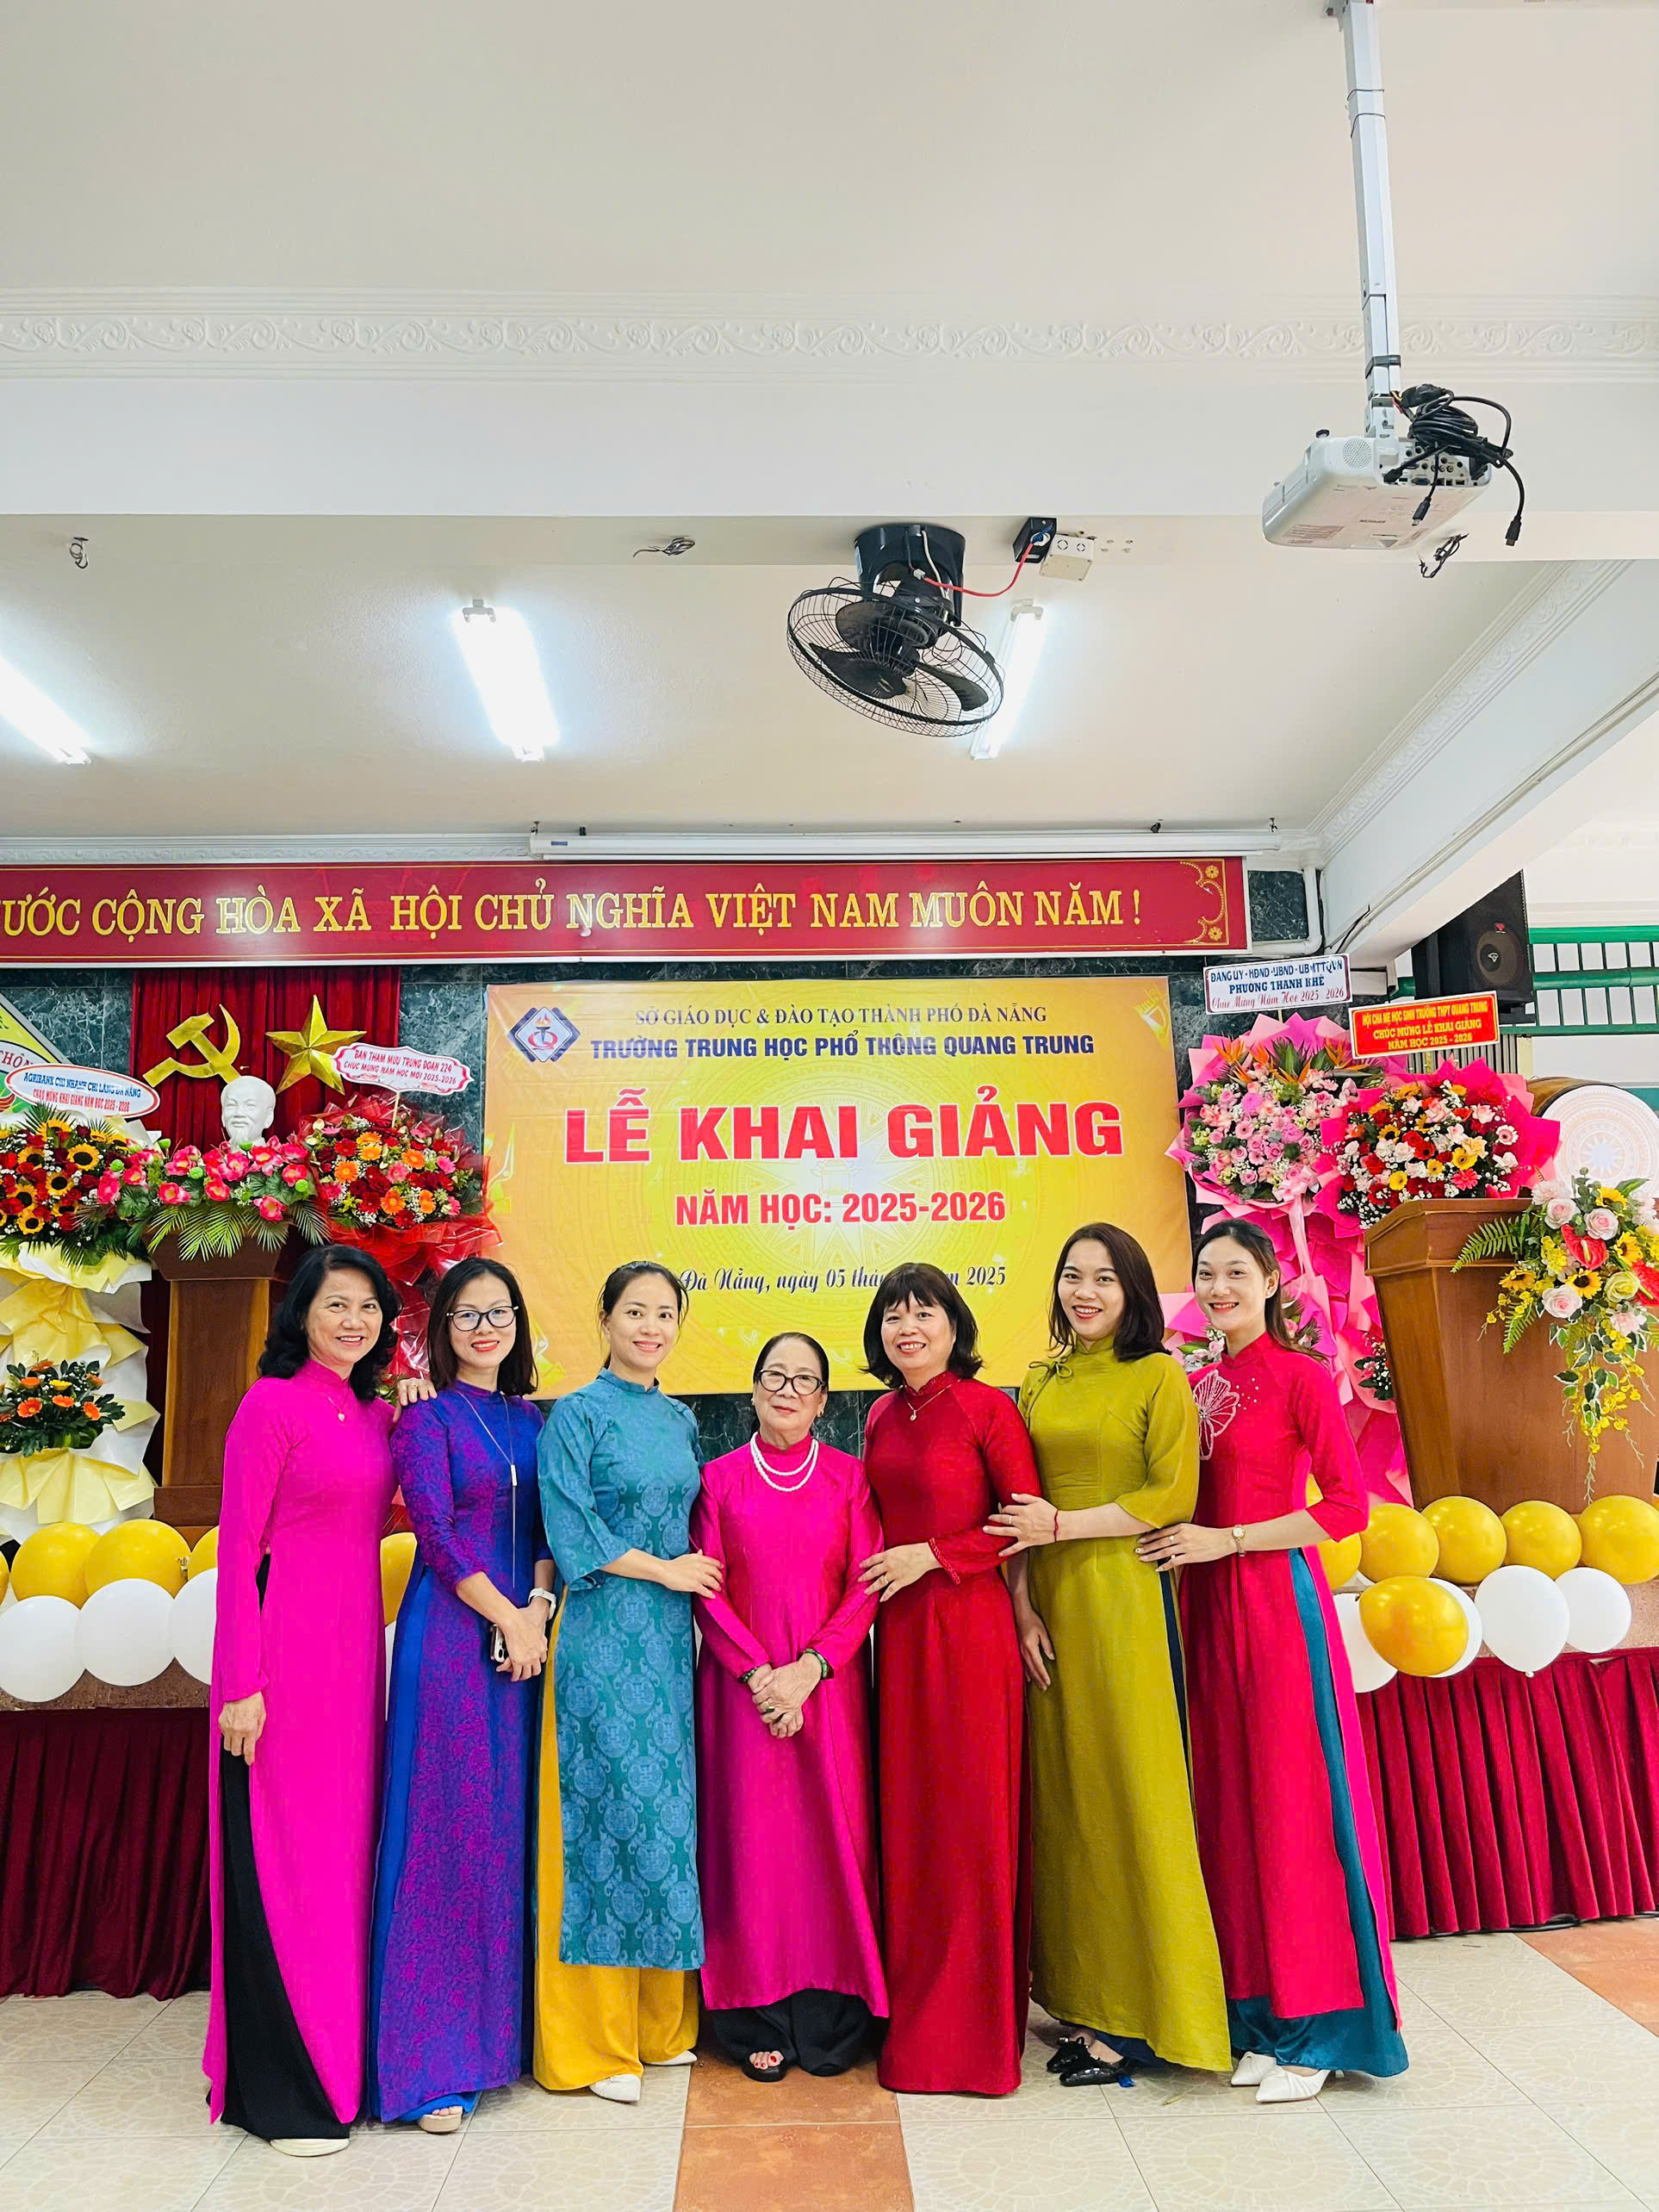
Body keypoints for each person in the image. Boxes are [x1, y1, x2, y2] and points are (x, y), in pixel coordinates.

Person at [1137, 1220, 1407, 2103]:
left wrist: (1230, 1540)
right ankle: (1260, 2017)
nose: (1219, 1288)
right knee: (1229, 1809)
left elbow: (1346, 1508)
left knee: (1293, 1809)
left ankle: (1323, 2025)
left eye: (1236, 1273)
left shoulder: (1301, 1377)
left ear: (1270, 1283)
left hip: (1274, 1605)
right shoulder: (1194, 1386)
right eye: (1206, 1273)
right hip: (1206, 1610)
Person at [989, 1224, 1231, 2086]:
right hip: (1049, 1605)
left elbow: (1171, 1494)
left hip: (1122, 1597)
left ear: (1132, 1292)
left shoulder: (1158, 1374)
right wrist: (1021, 1606)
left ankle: (1148, 2018)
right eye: (1071, 1275)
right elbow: (1014, 1502)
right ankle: (1085, 2004)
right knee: (1068, 1802)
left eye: (1103, 1278)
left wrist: (1065, 1524)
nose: (1083, 1291)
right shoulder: (1040, 1379)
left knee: (1134, 1792)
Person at [205, 1246, 405, 2155]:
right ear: (302, 1315)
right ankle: (285, 2088)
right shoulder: (270, 1404)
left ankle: (344, 2059)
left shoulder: (375, 1413)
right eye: (336, 1305)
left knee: (342, 1860)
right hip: (281, 1663)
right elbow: (238, 1550)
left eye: (368, 1306)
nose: (353, 1321)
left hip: (354, 1663)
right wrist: (240, 1685)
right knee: (291, 1862)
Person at [368, 1258, 554, 2133]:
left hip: (525, 1640)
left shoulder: (531, 1419)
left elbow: (549, 1529)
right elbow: (436, 1534)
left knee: (505, 1835)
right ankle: (429, 2063)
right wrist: (506, 1617)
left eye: (500, 1312)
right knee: (447, 1834)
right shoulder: (426, 1418)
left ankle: (496, 2044)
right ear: (441, 1328)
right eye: (468, 1314)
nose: (486, 1328)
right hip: (452, 1638)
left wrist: (537, 1612)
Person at [533, 1260, 715, 2104]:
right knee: (603, 1822)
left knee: (663, 1824)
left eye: (665, 1314)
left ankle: (659, 2026)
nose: (651, 1327)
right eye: (635, 1312)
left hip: (668, 1647)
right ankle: (596, 2045)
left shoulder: (679, 1419)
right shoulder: (575, 1415)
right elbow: (572, 1531)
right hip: (602, 1637)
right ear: (605, 1320)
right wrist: (669, 1572)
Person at [691, 1333, 887, 2083]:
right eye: (775, 1376)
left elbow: (865, 1584)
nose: (788, 1391)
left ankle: (832, 2015)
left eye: (804, 1380)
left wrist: (809, 1670)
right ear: (752, 1390)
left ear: (823, 1400)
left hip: (827, 1691)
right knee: (753, 1851)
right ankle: (755, 2017)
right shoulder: (718, 1481)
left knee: (830, 1844)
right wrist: (761, 1678)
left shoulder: (850, 1479)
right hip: (741, 1696)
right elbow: (707, 1589)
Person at [858, 1262, 1033, 2097]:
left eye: (924, 1312)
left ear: (954, 1325)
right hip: (897, 1638)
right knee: (912, 1822)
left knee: (970, 1821)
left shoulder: (988, 1408)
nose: (909, 1327)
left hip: (969, 1632)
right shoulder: (881, 1414)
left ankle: (976, 2040)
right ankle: (915, 2017)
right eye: (894, 1315)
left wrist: (933, 1554)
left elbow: (1025, 1520)